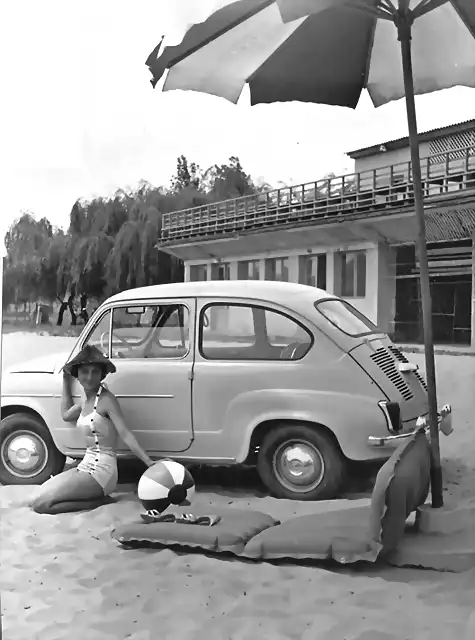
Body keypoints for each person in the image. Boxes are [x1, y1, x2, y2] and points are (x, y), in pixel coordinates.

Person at [31, 345, 154, 514]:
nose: (89, 377)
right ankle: (92, 497)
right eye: (84, 371)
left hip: (102, 471)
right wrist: (66, 383)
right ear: (78, 375)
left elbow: (125, 433)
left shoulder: (106, 400)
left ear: (102, 375)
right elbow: (66, 415)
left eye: (95, 372)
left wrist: (149, 463)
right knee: (36, 496)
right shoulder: (85, 401)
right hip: (85, 465)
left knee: (42, 505)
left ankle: (98, 501)